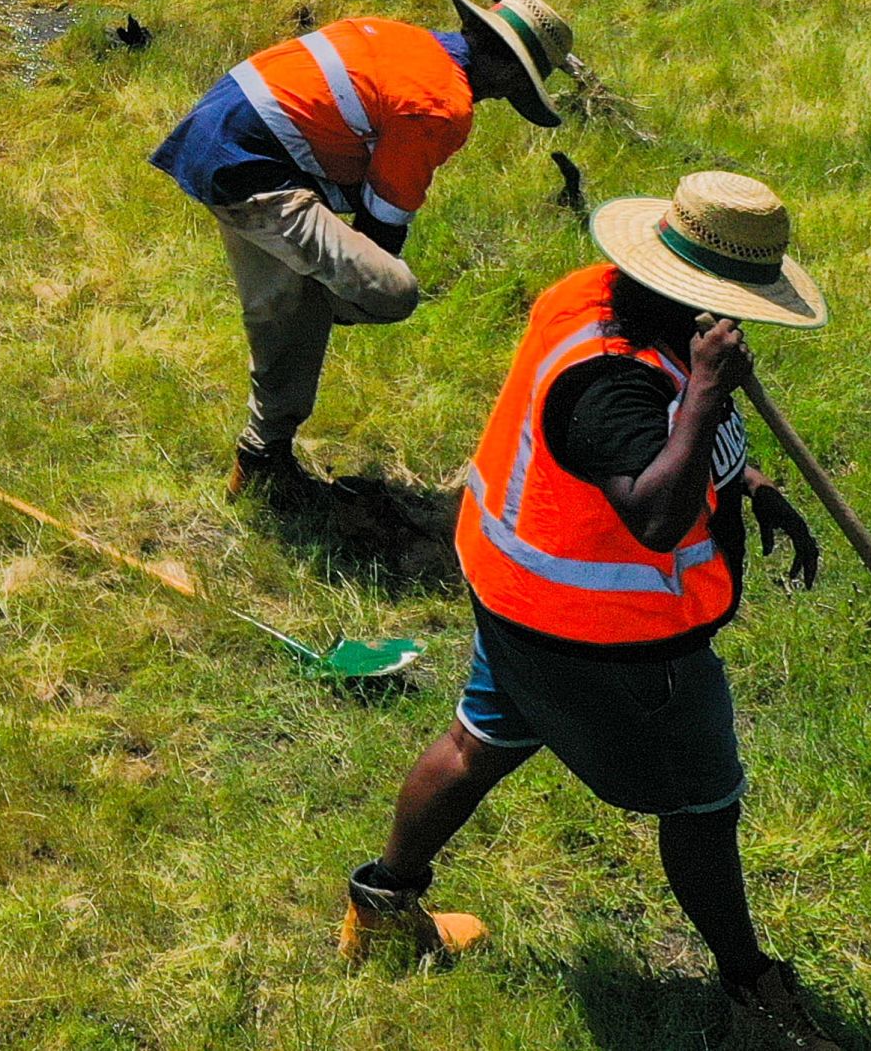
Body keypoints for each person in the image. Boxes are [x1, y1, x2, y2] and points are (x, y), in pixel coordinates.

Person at [343, 171, 836, 1043]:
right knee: (702, 804)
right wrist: (714, 388)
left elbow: (664, 439)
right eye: (739, 302)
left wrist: (746, 480)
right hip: (613, 644)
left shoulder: (598, 295)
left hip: (518, 595)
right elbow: (653, 510)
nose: (745, 318)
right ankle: (748, 977)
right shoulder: (609, 376)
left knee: (477, 739)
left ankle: (380, 905)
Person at [149, 0, 577, 493]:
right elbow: (382, 225)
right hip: (256, 166)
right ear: (510, 73)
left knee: (285, 305)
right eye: (519, 85)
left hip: (216, 139)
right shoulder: (441, 104)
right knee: (388, 291)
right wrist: (341, 282)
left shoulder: (401, 37)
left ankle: (262, 460)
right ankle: (275, 415)